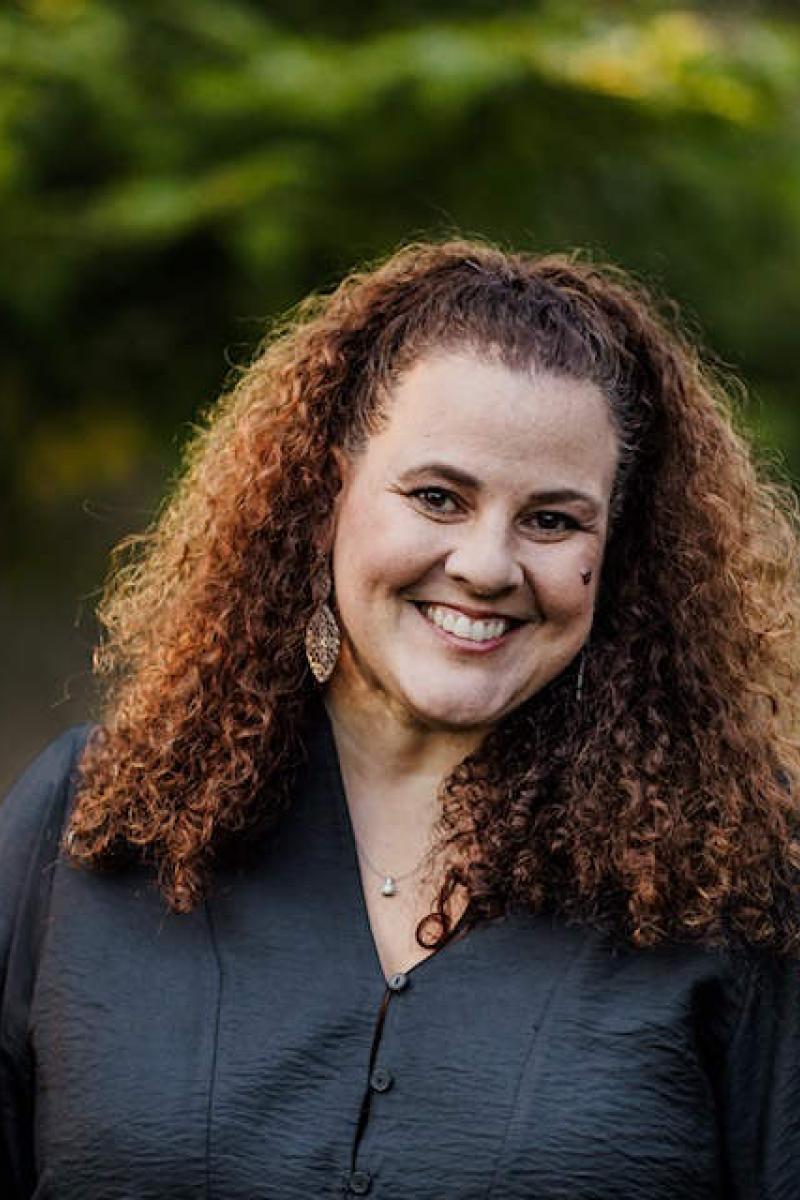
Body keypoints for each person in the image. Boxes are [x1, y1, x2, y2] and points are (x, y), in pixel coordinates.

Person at [2, 239, 799, 1199]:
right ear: (327, 491)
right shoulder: (90, 827)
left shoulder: (739, 881)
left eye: (552, 521)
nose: (487, 564)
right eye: (435, 497)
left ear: (620, 553)